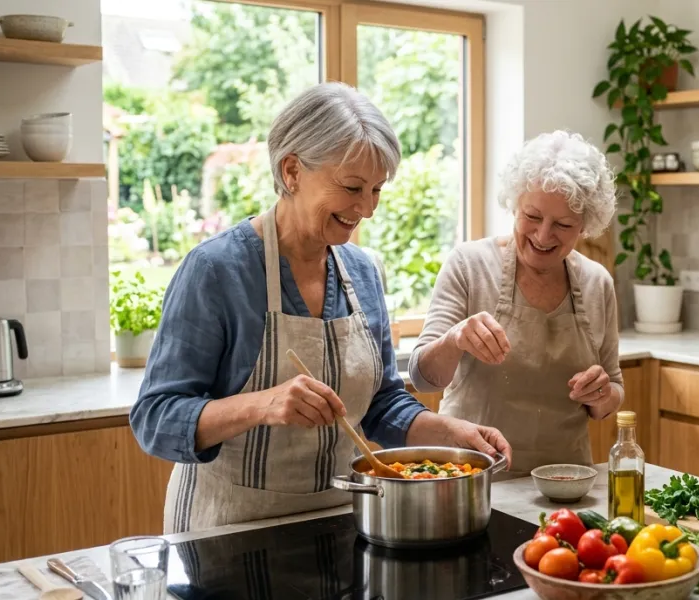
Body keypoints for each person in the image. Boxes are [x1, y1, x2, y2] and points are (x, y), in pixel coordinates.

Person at [130, 82, 512, 534]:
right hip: (226, 530)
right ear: (292, 171)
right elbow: (155, 418)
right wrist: (261, 405)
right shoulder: (217, 271)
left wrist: (451, 434)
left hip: (337, 522)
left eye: (377, 190)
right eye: (352, 187)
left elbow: (382, 406)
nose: (366, 209)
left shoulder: (364, 272)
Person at [409, 130, 623, 479]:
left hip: (566, 484)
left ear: (584, 225)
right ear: (515, 204)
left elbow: (612, 390)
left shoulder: (597, 283)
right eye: (533, 217)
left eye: (563, 224)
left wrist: (601, 395)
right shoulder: (469, 265)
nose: (543, 235)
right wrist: (455, 339)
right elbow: (423, 377)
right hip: (472, 481)